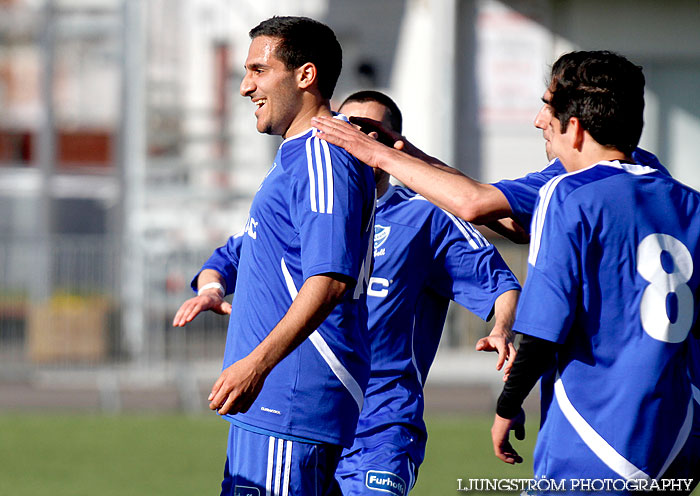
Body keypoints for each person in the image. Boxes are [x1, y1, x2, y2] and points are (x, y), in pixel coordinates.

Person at [173, 16, 376, 495]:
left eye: (259, 71)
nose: (246, 87)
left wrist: (256, 364)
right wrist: (215, 282)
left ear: (305, 75)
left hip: (288, 399)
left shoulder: (323, 153)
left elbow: (330, 279)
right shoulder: (297, 154)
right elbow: (253, 245)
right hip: (269, 404)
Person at [487, 51, 700, 491]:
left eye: (550, 110)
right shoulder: (691, 203)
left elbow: (545, 327)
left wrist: (507, 406)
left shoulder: (568, 194)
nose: (539, 121)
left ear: (576, 128)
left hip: (596, 433)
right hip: (676, 435)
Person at [333, 91, 522, 495]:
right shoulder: (316, 210)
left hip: (381, 427)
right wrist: (212, 283)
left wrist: (503, 329)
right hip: (314, 418)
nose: (359, 141)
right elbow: (239, 249)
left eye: (371, 132)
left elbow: (501, 283)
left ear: (393, 144)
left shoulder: (426, 216)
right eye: (349, 128)